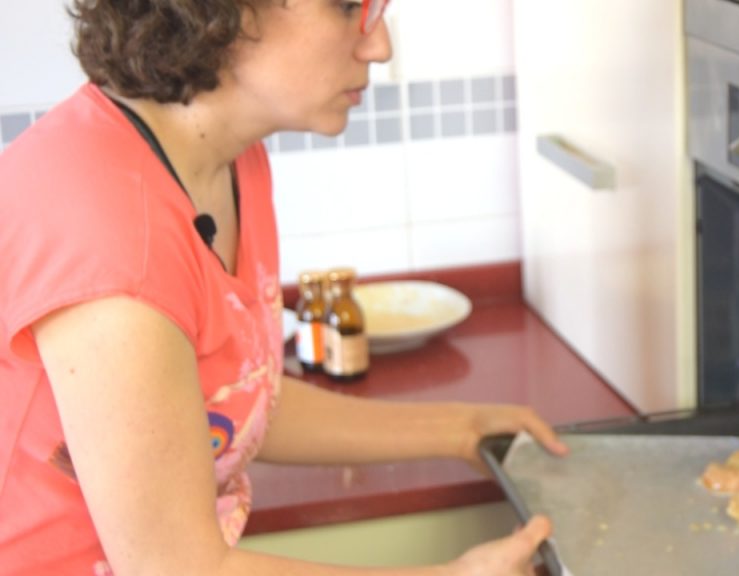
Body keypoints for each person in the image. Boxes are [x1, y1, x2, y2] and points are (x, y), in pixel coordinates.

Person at [0, 1, 570, 574]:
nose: (379, 46)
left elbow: (239, 395)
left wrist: (460, 429)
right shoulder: (109, 230)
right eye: (348, 7)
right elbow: (176, 568)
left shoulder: (224, 156)